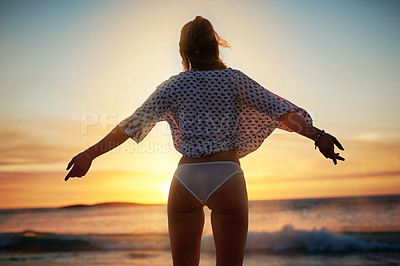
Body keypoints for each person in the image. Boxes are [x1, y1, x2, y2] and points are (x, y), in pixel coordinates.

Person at [65, 16, 345, 266]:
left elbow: (131, 125)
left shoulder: (174, 85)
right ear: (215, 46)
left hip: (186, 177)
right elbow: (280, 111)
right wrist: (317, 135)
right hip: (226, 175)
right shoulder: (234, 79)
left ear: (183, 50)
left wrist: (89, 154)